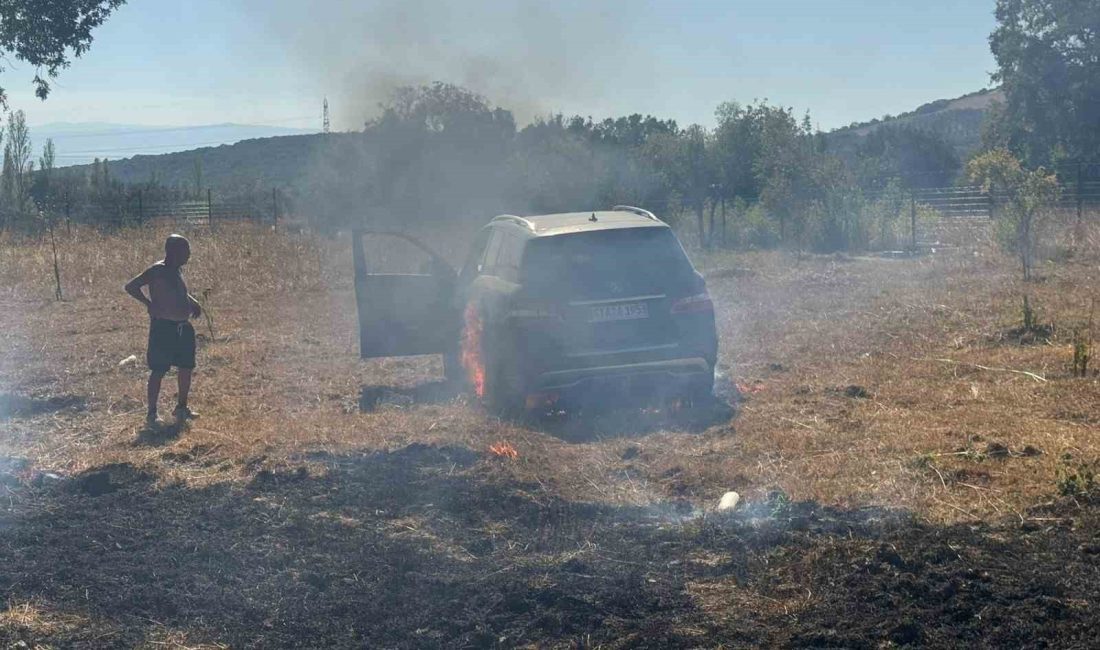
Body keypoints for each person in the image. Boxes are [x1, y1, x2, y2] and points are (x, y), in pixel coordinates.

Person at [124, 234, 202, 427]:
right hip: (163, 328)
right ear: (173, 252)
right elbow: (131, 286)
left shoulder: (177, 270)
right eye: (186, 251)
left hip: (183, 328)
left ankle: (182, 407)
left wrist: (193, 303)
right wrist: (148, 303)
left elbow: (179, 292)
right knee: (159, 370)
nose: (189, 255)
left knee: (186, 367)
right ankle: (152, 413)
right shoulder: (157, 270)